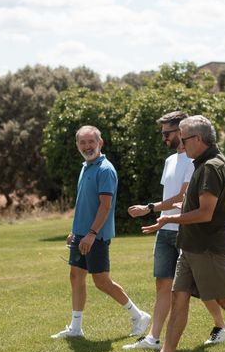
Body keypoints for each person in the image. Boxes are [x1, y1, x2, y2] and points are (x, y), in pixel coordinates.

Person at [130, 115, 225, 352]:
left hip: (207, 248)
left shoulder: (210, 168)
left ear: (198, 139)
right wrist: (163, 211)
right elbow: (192, 202)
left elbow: (205, 213)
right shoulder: (202, 163)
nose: (180, 145)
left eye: (183, 139)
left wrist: (167, 221)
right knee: (178, 298)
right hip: (191, 247)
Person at [123, 111, 225, 351]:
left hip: (185, 229)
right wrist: (160, 217)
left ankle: (221, 326)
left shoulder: (196, 161)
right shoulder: (170, 161)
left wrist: (150, 208)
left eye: (168, 133)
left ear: (182, 131)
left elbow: (182, 197)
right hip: (165, 229)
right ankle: (153, 338)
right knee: (164, 285)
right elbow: (169, 195)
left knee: (203, 287)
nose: (165, 138)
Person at [52, 125, 151, 339]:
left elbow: (105, 206)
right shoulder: (86, 166)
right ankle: (76, 328)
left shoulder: (105, 169)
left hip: (95, 235)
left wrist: (91, 234)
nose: (87, 146)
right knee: (76, 276)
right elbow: (84, 204)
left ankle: (138, 315)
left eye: (91, 142)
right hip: (82, 233)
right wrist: (75, 231)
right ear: (77, 144)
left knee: (102, 281)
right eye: (83, 142)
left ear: (100, 143)